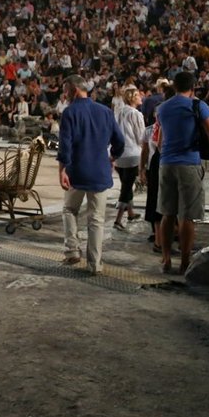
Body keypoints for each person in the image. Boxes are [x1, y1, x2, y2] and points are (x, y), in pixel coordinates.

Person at [56, 74, 125, 274]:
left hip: (77, 172)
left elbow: (65, 146)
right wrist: (112, 157)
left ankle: (72, 251)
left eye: (66, 90)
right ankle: (95, 264)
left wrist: (62, 170)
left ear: (75, 90)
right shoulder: (105, 112)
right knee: (96, 219)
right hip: (100, 172)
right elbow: (119, 142)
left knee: (69, 210)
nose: (64, 94)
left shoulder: (70, 113)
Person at [156, 71, 209, 275]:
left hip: (166, 163)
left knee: (167, 213)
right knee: (187, 216)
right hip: (189, 163)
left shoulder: (163, 108)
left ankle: (165, 259)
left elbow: (160, 141)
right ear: (193, 88)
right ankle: (184, 261)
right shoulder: (197, 105)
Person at [113, 85, 145, 229]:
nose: (141, 97)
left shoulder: (118, 112)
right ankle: (118, 219)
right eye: (138, 95)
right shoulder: (135, 114)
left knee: (126, 183)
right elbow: (141, 136)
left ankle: (130, 213)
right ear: (133, 98)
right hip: (132, 154)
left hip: (119, 154)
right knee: (126, 187)